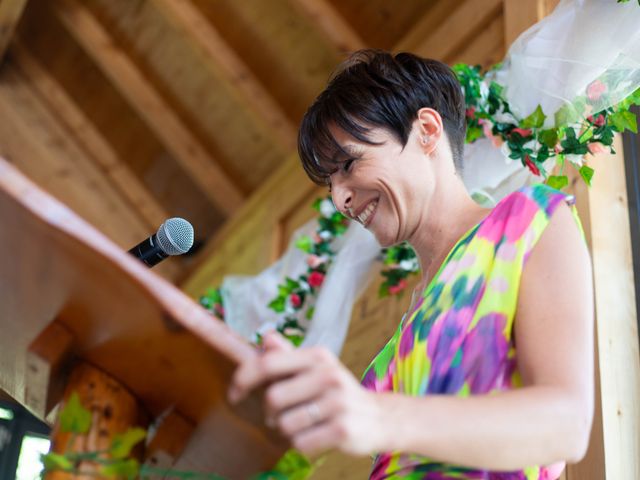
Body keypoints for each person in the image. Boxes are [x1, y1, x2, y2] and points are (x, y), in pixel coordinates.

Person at [227, 50, 594, 479]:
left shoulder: (530, 222)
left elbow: (567, 424)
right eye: (330, 183)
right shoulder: (406, 327)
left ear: (426, 130)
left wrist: (381, 416)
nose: (338, 199)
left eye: (348, 164)